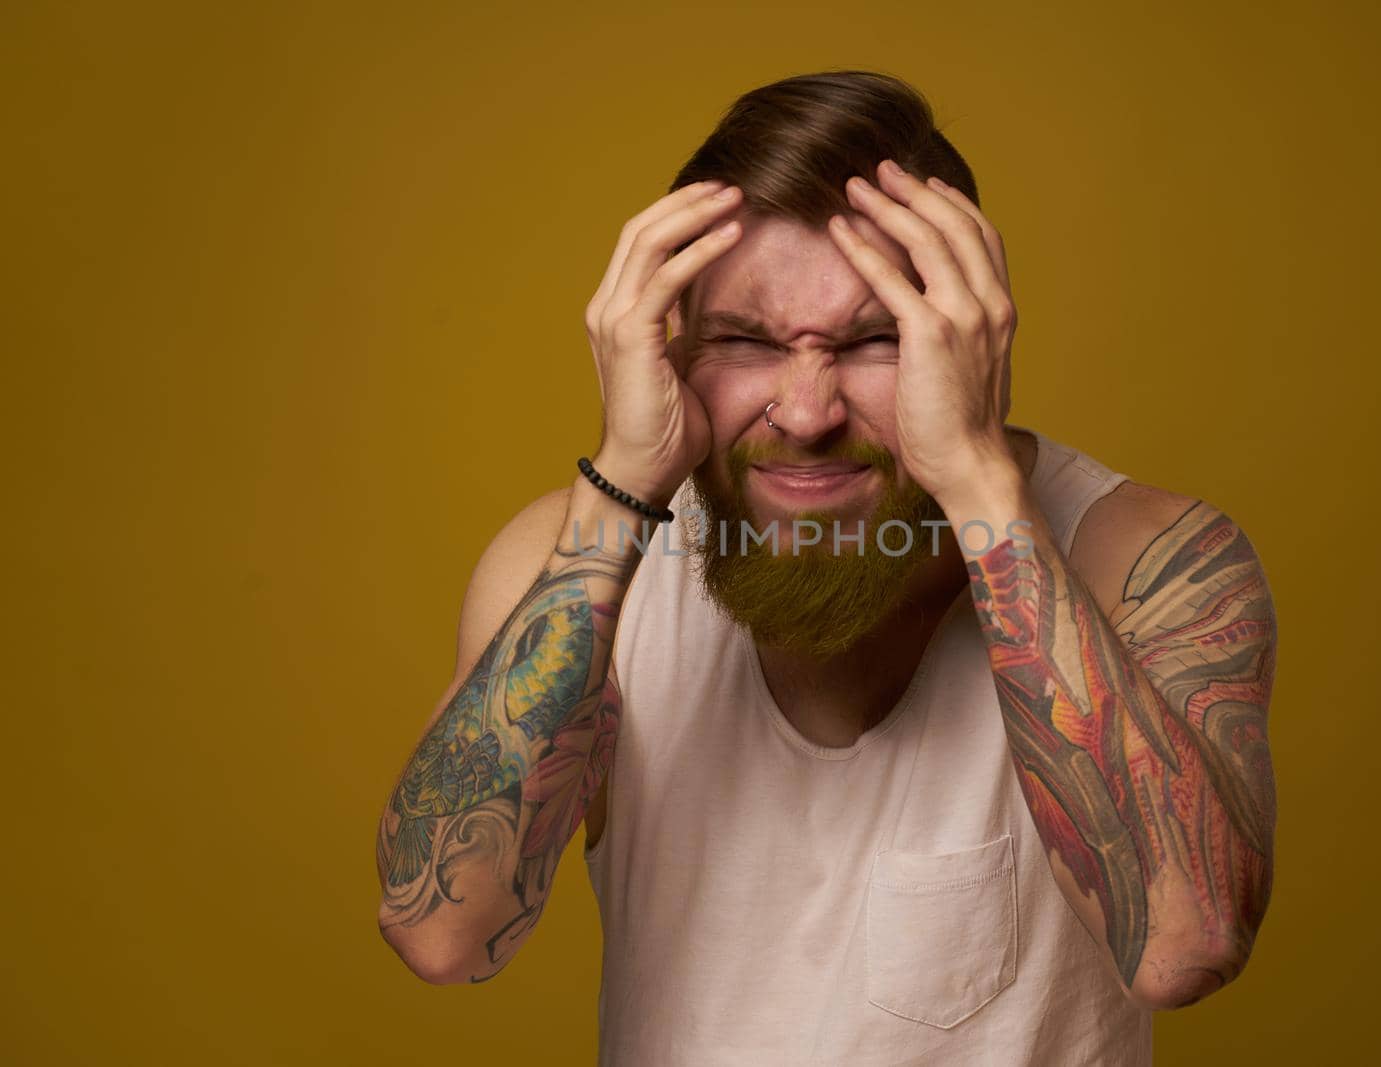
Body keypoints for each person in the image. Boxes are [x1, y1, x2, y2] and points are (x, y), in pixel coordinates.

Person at [375, 70, 1278, 1065]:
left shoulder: (1145, 559)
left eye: (875, 339)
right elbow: (441, 928)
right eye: (744, 340)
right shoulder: (577, 562)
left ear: (972, 337)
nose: (805, 413)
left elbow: (1183, 948)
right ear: (668, 344)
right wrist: (624, 482)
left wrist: (978, 481)